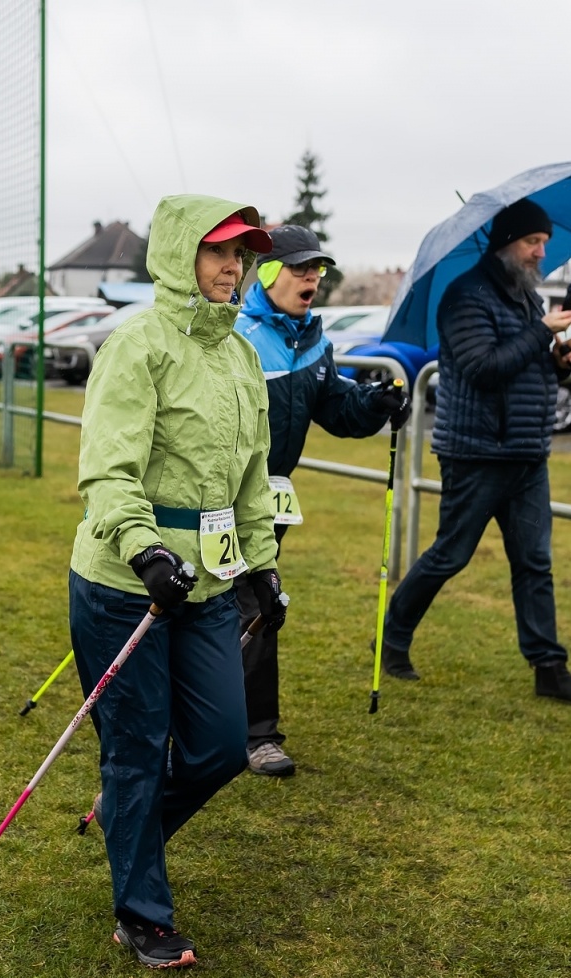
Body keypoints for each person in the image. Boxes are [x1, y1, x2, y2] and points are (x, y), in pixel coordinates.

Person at [69, 193, 284, 969]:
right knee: (134, 749)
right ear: (179, 255)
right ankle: (141, 915)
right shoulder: (139, 346)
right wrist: (142, 549)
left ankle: (126, 820)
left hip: (210, 585)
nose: (233, 268)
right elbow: (107, 470)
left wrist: (262, 566)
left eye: (243, 255)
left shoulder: (242, 355)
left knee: (221, 746)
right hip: (125, 586)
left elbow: (250, 478)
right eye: (219, 251)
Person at [378, 198, 571, 706]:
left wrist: (560, 358)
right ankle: (391, 638)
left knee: (535, 562)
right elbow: (483, 368)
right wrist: (540, 333)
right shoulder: (466, 296)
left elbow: (524, 366)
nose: (540, 252)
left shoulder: (525, 297)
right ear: (506, 243)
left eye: (544, 243)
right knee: (450, 555)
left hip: (527, 452)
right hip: (476, 451)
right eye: (532, 242)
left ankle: (549, 667)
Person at [232, 225, 409, 776]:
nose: (313, 278)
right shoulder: (234, 337)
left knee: (257, 608)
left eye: (318, 270)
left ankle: (255, 735)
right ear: (266, 272)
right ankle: (215, 726)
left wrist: (376, 403)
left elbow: (335, 408)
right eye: (300, 268)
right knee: (221, 607)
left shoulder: (313, 342)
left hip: (269, 504)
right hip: (216, 498)